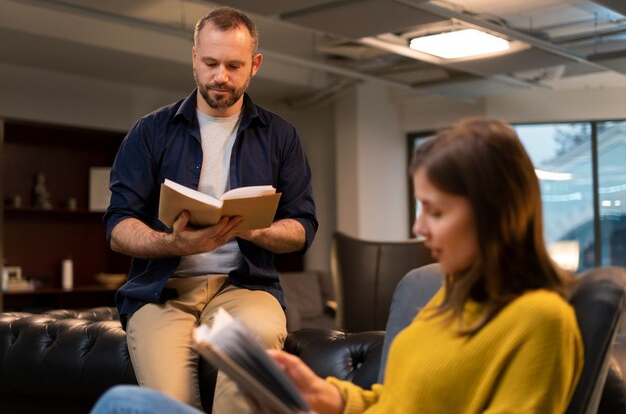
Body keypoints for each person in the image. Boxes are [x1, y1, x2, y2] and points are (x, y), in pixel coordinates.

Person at [93, 117, 582, 414]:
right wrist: (329, 397)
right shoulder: (446, 302)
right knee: (127, 405)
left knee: (123, 406)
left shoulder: (540, 321)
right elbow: (393, 404)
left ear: (492, 212)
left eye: (435, 211)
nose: (419, 228)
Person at [102, 6, 317, 414]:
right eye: (211, 63)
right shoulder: (150, 132)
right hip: (163, 293)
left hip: (245, 288)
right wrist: (171, 242)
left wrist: (255, 231)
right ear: (194, 58)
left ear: (255, 65)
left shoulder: (281, 136)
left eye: (234, 65)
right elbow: (117, 225)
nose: (221, 77)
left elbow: (303, 227)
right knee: (168, 404)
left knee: (252, 361)